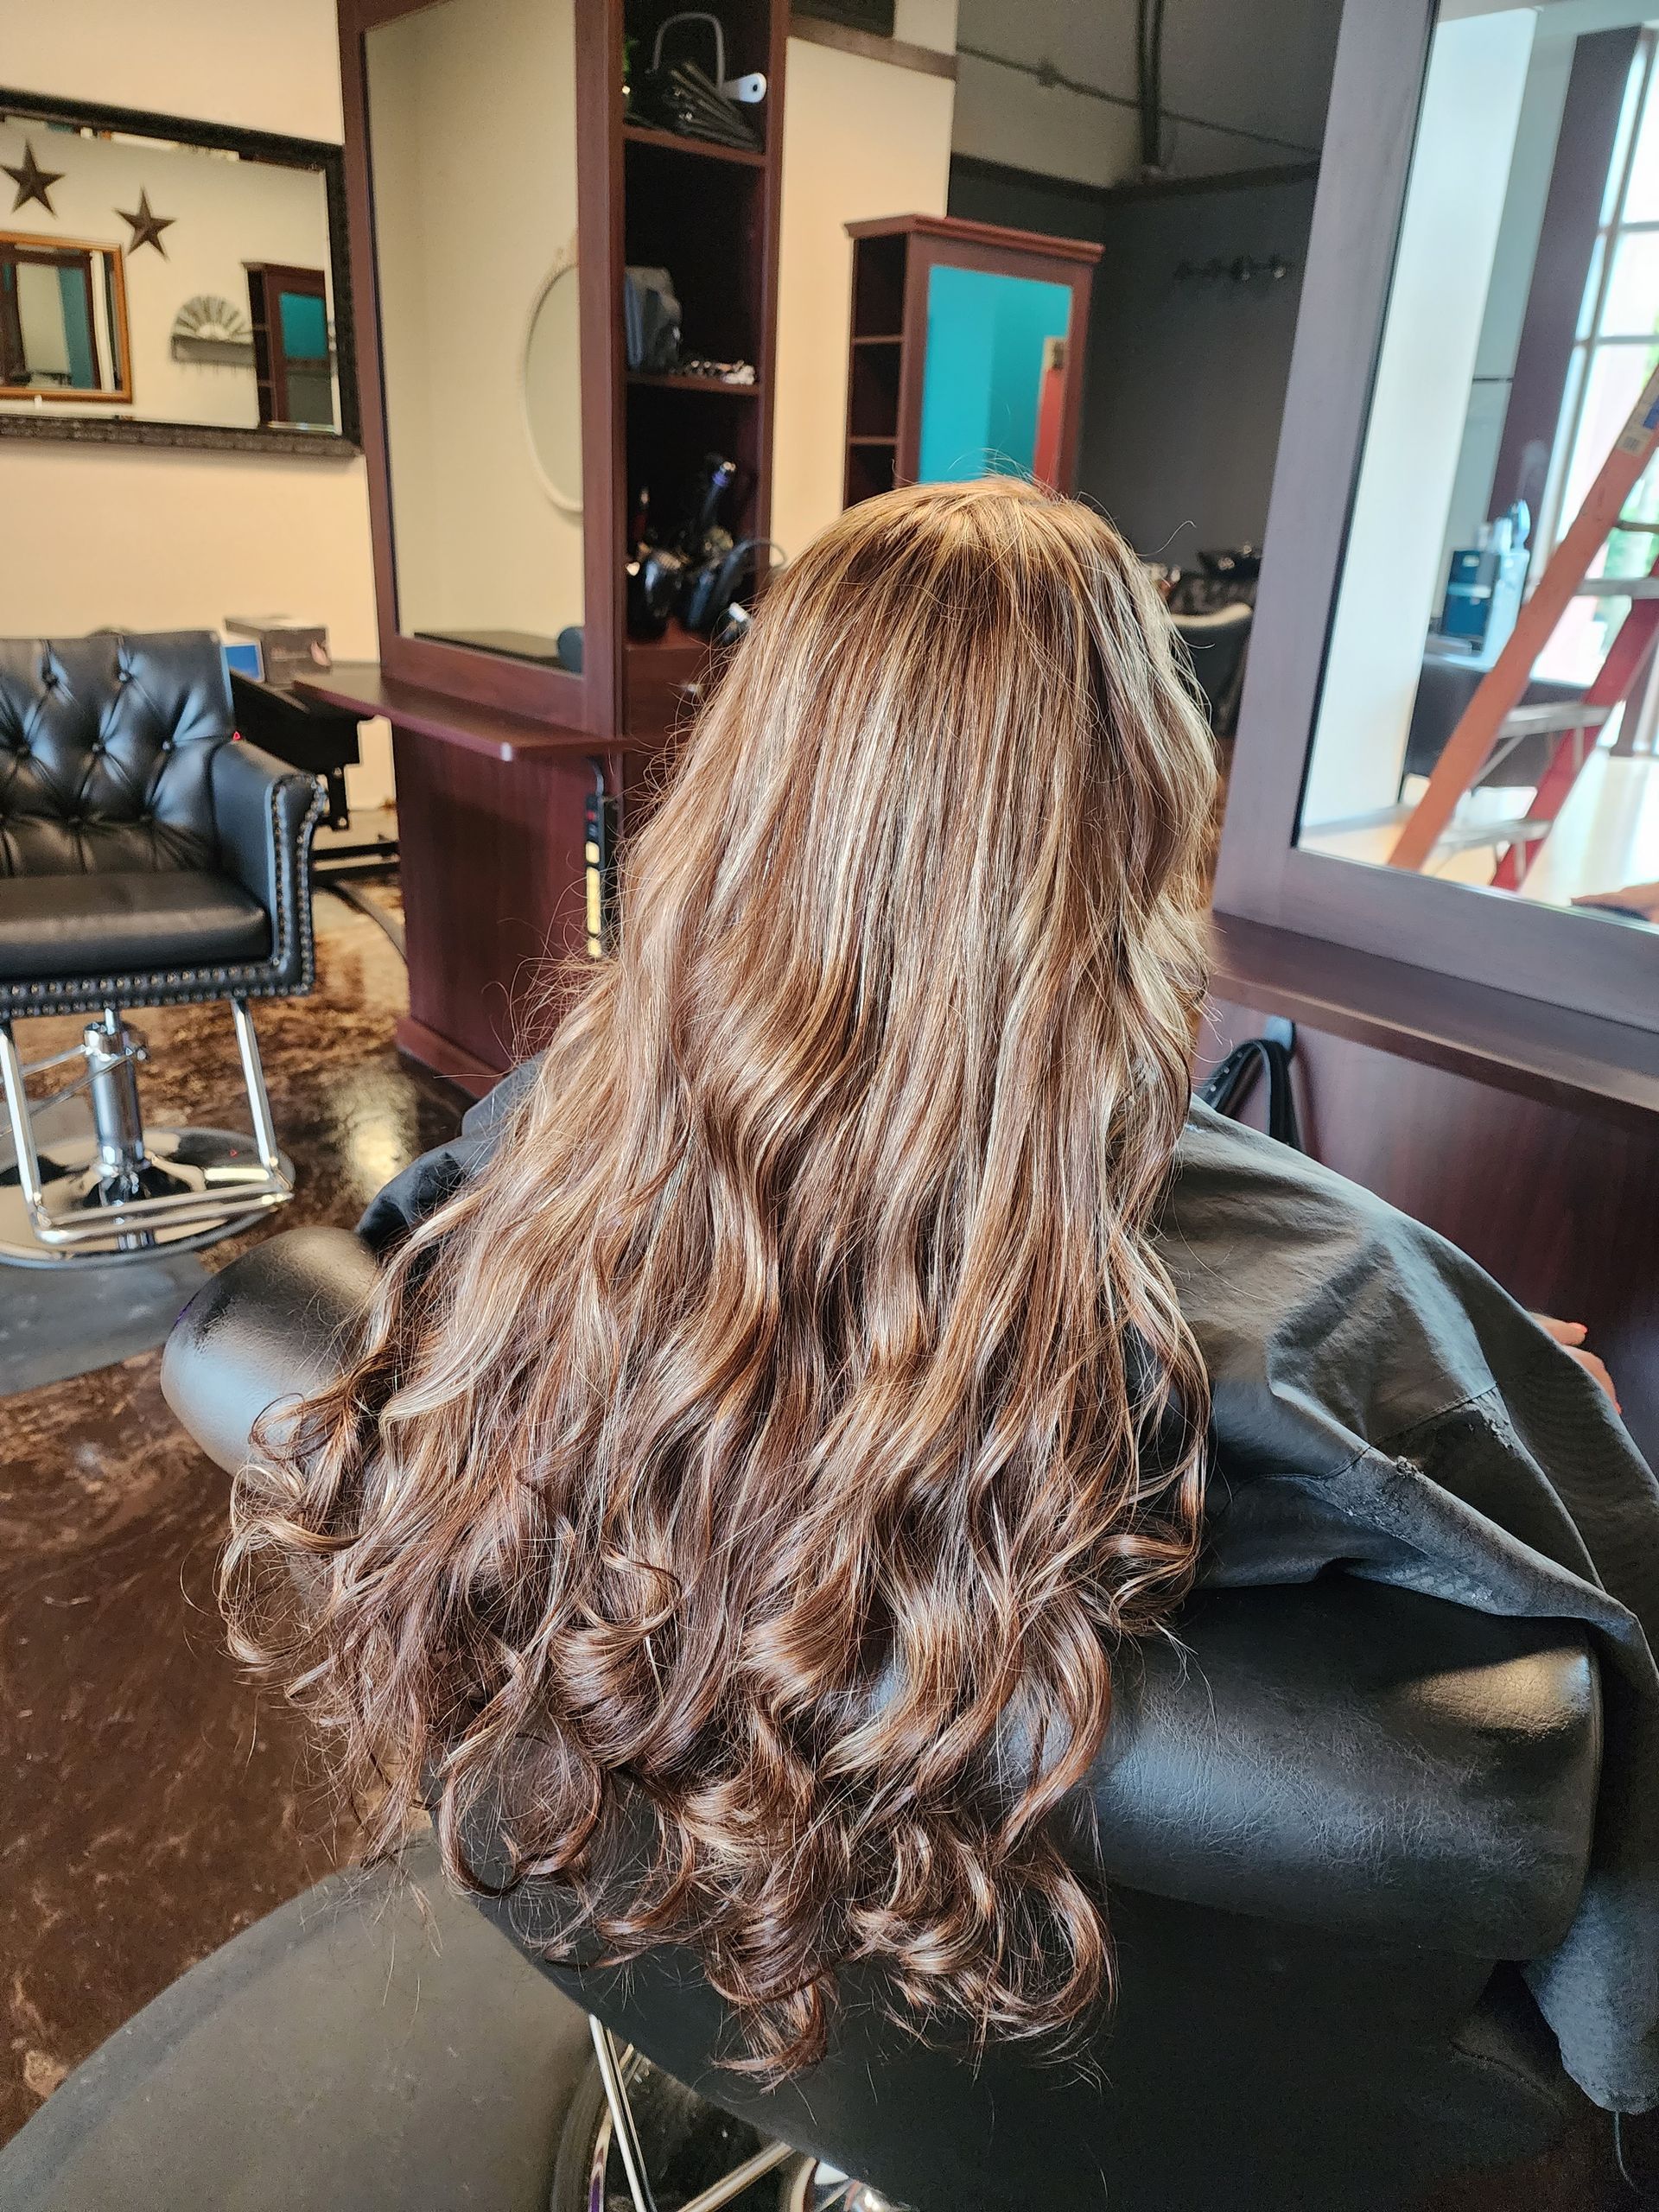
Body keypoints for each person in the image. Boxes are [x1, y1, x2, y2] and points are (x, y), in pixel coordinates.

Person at [223, 479, 1659, 2114]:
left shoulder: (537, 1166)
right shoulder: (1347, 1314)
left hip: (679, 1961)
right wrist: (1519, 1405)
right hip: (1103, 2080)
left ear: (750, 797)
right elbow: (1616, 1830)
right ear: (1134, 835)